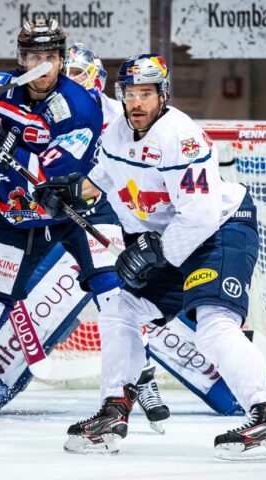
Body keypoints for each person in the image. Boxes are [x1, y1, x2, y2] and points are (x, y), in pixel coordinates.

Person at [33, 54, 266, 461]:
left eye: (146, 94)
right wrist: (66, 190)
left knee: (212, 323)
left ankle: (265, 417)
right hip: (171, 238)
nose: (137, 103)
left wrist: (158, 252)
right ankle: (114, 410)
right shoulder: (116, 135)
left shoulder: (181, 137)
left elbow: (201, 215)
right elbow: (100, 180)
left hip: (220, 230)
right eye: (130, 94)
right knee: (120, 309)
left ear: (162, 95)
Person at [0, 19, 124, 430]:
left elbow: (61, 168)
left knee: (111, 287)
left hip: (73, 210)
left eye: (50, 57)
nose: (42, 65)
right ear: (21, 58)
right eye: (34, 56)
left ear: (62, 60)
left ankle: (137, 382)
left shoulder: (80, 104)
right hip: (14, 214)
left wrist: (23, 161)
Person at [63, 42, 170, 434]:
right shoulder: (49, 107)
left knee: (115, 298)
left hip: (104, 210)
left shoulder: (118, 114)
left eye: (77, 72)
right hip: (54, 208)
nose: (70, 81)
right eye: (67, 73)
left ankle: (141, 378)